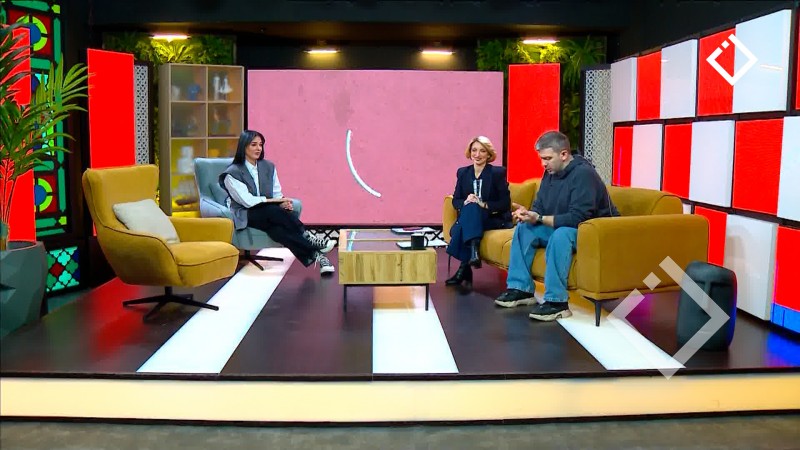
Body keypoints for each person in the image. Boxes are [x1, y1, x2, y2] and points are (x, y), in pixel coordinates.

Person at [494, 131, 618, 321]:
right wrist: (529, 215)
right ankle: (521, 289)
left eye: (547, 158)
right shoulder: (551, 173)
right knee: (524, 229)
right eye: (541, 159)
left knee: (561, 235)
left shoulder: (584, 174)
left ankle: (557, 302)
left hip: (593, 231)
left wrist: (540, 218)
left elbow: (578, 218)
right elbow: (540, 205)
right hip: (567, 226)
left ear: (564, 154)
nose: (543, 164)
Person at [219, 130, 336, 274]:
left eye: (260, 145)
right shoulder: (232, 173)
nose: (258, 148)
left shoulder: (268, 167)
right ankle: (308, 236)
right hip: (245, 214)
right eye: (253, 145)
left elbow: (276, 193)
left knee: (277, 231)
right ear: (243, 147)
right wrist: (275, 202)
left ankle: (317, 255)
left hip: (268, 214)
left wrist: (281, 202)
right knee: (272, 210)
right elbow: (248, 202)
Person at [445, 136, 512, 287]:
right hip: (471, 217)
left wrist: (483, 204)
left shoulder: (497, 173)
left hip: (492, 217)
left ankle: (464, 268)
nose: (477, 154)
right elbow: (456, 200)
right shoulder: (463, 173)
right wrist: (466, 201)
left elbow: (504, 203)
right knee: (471, 206)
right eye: (474, 150)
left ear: (488, 154)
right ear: (469, 152)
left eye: (482, 151)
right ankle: (473, 253)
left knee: (458, 228)